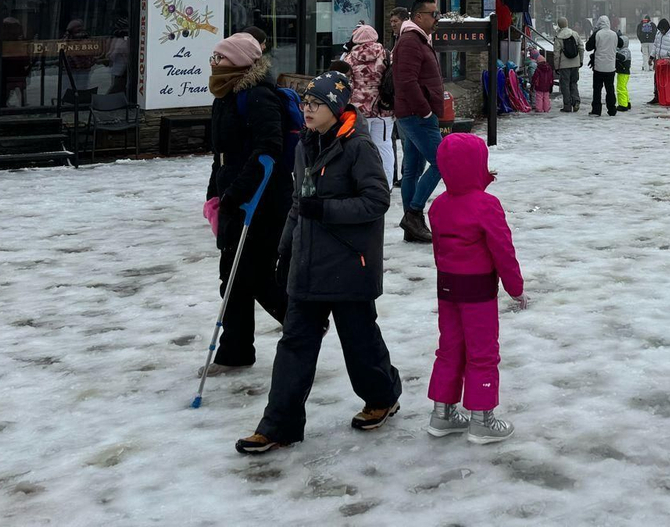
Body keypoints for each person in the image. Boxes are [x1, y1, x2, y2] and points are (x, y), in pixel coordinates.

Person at [236, 72, 401, 453]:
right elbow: (299, 204)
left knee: (360, 342)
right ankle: (278, 425)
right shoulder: (304, 145)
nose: (306, 110)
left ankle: (382, 396)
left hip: (349, 263)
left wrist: (324, 210)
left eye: (315, 104)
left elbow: (377, 201)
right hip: (308, 263)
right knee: (294, 344)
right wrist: (285, 250)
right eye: (305, 103)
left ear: (336, 108)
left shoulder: (358, 147)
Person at [425, 131, 525, 444]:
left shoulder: (438, 206)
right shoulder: (486, 205)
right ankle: (482, 417)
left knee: (450, 347)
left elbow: (439, 249)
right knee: (482, 351)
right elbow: (502, 250)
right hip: (478, 291)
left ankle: (442, 413)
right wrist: (515, 287)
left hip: (448, 288)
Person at [202, 32, 292, 373]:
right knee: (233, 276)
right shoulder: (226, 94)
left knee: (252, 275)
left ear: (239, 60)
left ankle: (299, 320)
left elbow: (269, 149)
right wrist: (215, 193)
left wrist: (236, 193)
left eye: (221, 57)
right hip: (233, 196)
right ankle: (236, 352)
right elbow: (221, 154)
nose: (215, 62)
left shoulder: (257, 96)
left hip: (263, 201)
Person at [393, 0, 445, 244]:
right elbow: (406, 82)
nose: (437, 19)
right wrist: (425, 111)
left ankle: (411, 226)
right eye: (433, 14)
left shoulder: (418, 39)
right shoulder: (410, 42)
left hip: (414, 114)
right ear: (418, 17)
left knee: (412, 169)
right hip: (416, 115)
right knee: (441, 162)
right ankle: (413, 214)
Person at [345, 24, 393, 181]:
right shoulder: (386, 55)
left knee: (358, 146)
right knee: (384, 146)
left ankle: (362, 181)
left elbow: (347, 84)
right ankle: (386, 182)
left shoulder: (349, 58)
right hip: (383, 108)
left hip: (358, 110)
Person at [586, 15, 619, 116]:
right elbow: (621, 44)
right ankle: (612, 109)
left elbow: (588, 47)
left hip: (599, 66)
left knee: (597, 89)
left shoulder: (597, 34)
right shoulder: (614, 34)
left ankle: (596, 110)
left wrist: (595, 33)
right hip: (610, 66)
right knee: (610, 89)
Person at [553, 17, 584, 112]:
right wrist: (580, 60)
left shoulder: (558, 37)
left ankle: (567, 105)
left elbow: (556, 54)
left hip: (564, 64)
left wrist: (556, 66)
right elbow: (581, 47)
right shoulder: (575, 34)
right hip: (575, 63)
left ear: (559, 25)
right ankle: (576, 101)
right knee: (574, 83)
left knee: (565, 85)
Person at [649, 16, 670, 104]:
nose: (661, 31)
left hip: (669, 64)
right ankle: (657, 96)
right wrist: (651, 57)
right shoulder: (659, 34)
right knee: (657, 80)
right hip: (659, 63)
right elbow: (655, 46)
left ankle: (669, 97)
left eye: (662, 29)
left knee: (668, 82)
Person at [614, 37, 633, 111]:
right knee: (623, 87)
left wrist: (615, 54)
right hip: (622, 71)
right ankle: (626, 102)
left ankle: (623, 105)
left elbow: (623, 58)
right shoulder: (621, 50)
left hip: (623, 72)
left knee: (620, 88)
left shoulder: (625, 51)